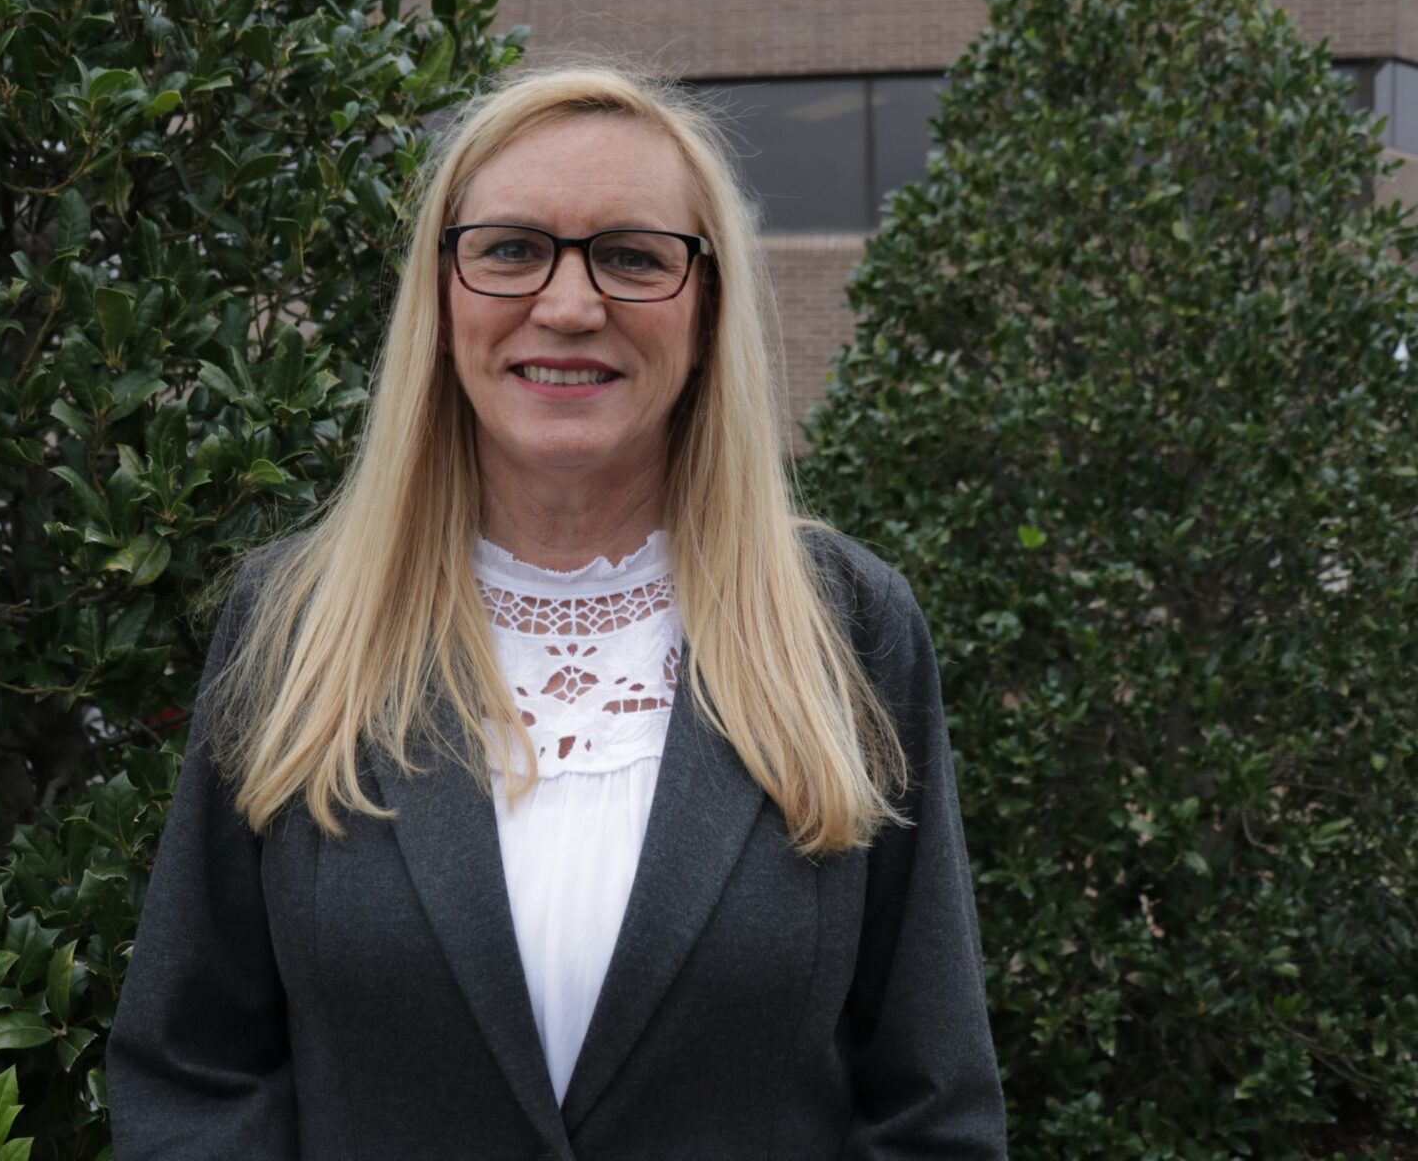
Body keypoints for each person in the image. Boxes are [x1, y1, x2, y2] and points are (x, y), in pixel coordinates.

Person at [106, 65, 1007, 1159]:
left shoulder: (850, 629)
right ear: (442, 297)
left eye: (632, 256)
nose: (570, 306)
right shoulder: (297, 622)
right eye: (511, 249)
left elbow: (931, 1107)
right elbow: (191, 1071)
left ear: (707, 302)